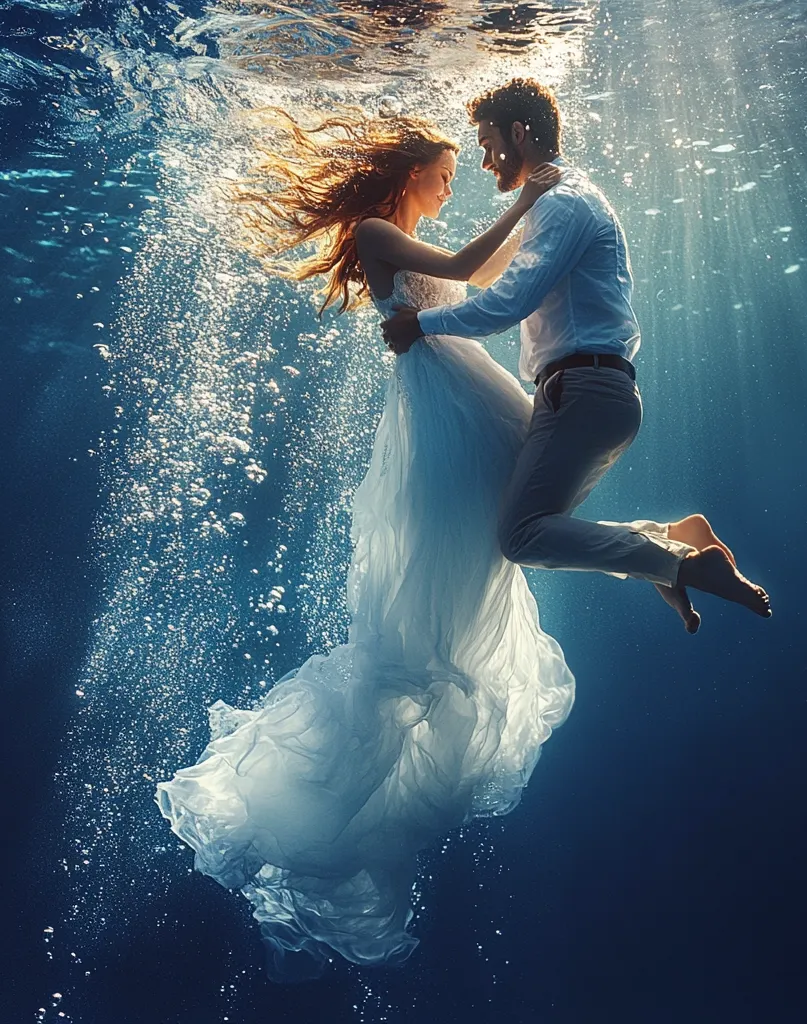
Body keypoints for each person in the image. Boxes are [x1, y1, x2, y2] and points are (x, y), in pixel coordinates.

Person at [157, 107, 574, 981]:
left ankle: (643, 550)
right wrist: (527, 195)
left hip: (457, 386)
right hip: (445, 398)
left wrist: (534, 220)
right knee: (487, 538)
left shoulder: (401, 233)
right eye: (445, 170)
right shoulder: (381, 227)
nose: (453, 182)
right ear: (410, 169)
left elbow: (482, 273)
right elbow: (466, 265)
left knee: (502, 533)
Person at [381, 79, 772, 635]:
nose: (487, 160)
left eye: (491, 143)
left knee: (521, 537)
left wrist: (419, 324)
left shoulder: (563, 203)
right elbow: (494, 278)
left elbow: (507, 303)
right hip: (594, 393)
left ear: (521, 133)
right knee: (536, 527)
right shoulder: (571, 197)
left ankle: (678, 563)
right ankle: (674, 543)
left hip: (582, 392)